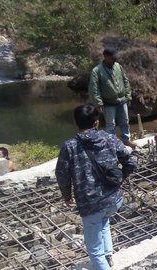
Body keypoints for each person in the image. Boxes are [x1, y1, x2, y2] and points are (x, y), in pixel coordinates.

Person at [55, 104, 137, 269]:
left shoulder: (69, 146)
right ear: (96, 123)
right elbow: (131, 161)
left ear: (77, 123)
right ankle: (108, 257)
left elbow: (62, 174)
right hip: (114, 199)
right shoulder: (109, 138)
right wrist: (121, 178)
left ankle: (103, 263)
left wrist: (67, 196)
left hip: (90, 204)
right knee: (104, 221)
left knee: (94, 252)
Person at [88, 48, 137, 149]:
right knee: (111, 124)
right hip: (109, 103)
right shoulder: (97, 71)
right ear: (105, 57)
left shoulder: (118, 66)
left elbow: (125, 81)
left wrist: (128, 95)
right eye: (112, 58)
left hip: (122, 100)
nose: (114, 60)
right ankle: (113, 143)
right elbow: (94, 88)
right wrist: (98, 103)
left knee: (125, 121)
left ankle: (126, 140)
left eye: (115, 58)